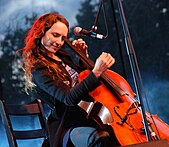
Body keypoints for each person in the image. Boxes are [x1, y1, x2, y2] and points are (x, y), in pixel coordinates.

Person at [21, 12, 116, 147]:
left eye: (63, 38)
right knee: (100, 138)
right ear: (41, 32)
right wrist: (96, 72)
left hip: (87, 118)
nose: (59, 42)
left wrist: (83, 58)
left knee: (115, 135)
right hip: (67, 127)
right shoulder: (38, 69)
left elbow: (80, 79)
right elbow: (69, 98)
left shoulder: (62, 56)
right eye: (55, 35)